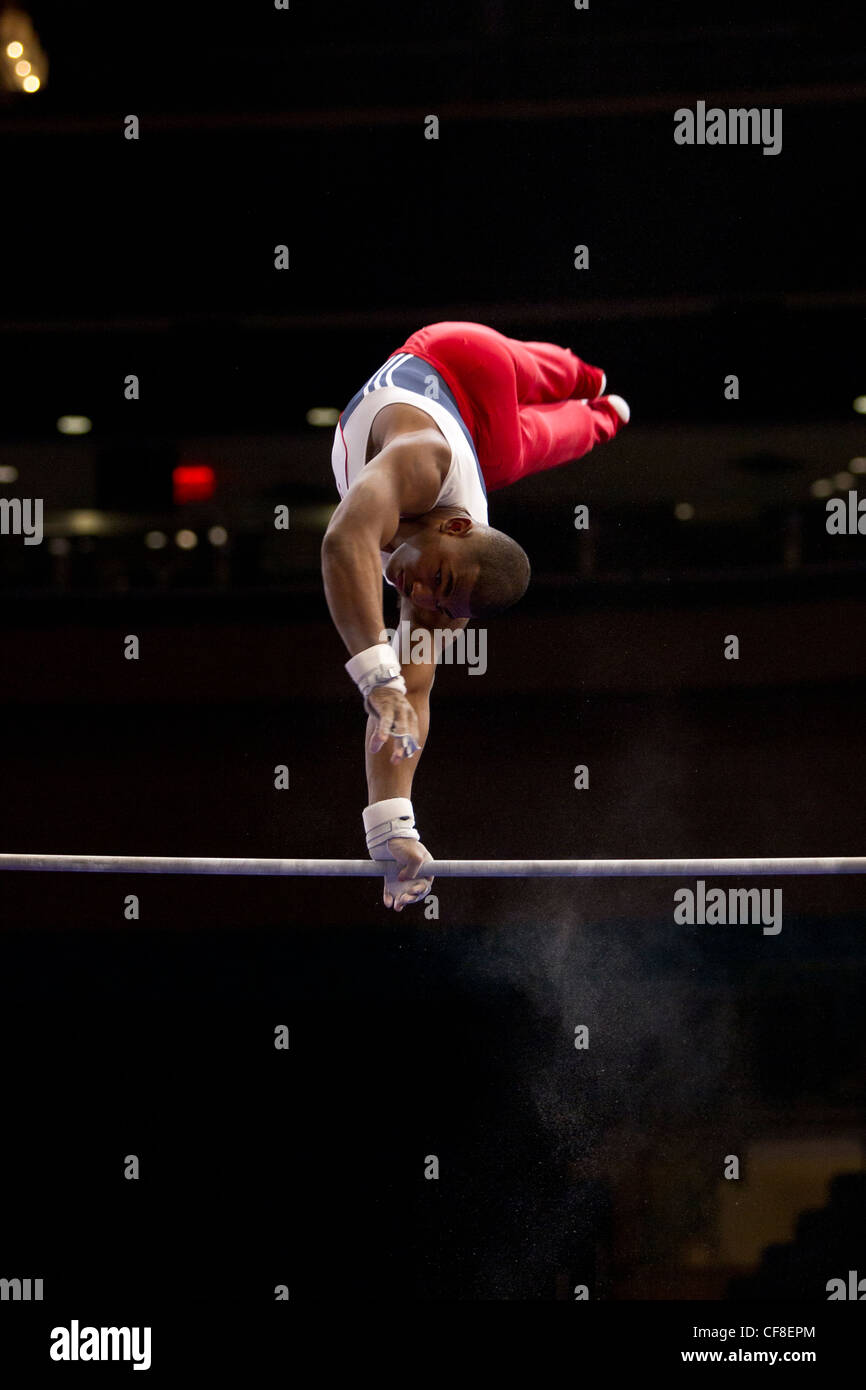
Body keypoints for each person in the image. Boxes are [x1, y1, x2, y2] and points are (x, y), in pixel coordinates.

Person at [322, 321, 629, 911]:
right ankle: (591, 379)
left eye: (435, 604)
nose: (417, 592)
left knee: (526, 446)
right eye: (437, 581)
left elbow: (409, 702)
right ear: (457, 525)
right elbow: (343, 542)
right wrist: (376, 678)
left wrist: (394, 831)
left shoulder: (438, 600)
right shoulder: (421, 461)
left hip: (477, 445)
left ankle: (606, 416)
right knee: (539, 402)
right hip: (459, 362)